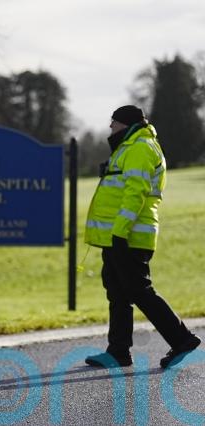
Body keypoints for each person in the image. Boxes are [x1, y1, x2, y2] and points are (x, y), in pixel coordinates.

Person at [84, 105, 201, 369]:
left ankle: (182, 339)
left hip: (128, 235)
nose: (110, 127)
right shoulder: (129, 147)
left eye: (114, 122)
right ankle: (118, 352)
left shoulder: (140, 147)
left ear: (125, 124)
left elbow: (135, 193)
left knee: (139, 291)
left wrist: (119, 232)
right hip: (119, 235)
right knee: (118, 292)